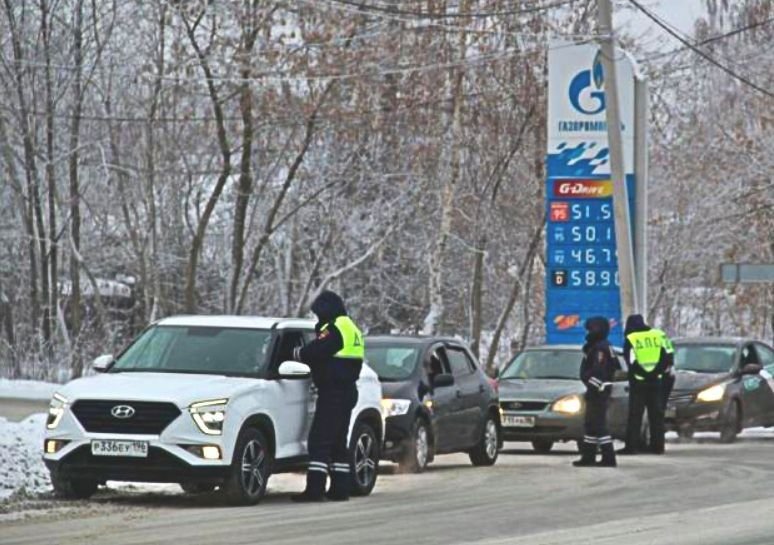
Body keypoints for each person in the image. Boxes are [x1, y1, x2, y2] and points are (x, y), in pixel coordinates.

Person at [291, 290, 364, 502]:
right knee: (338, 442)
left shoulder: (335, 328)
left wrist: (296, 353)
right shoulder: (350, 327)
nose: (317, 318)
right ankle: (340, 489)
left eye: (318, 313)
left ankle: (315, 490)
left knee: (319, 441)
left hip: (334, 392)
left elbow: (317, 351)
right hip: (347, 390)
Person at [618, 314, 674, 455]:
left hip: (639, 382)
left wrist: (644, 373)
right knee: (656, 415)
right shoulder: (659, 335)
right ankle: (658, 446)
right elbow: (668, 356)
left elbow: (631, 362)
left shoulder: (631, 339)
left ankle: (632, 446)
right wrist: (655, 372)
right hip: (657, 381)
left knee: (635, 415)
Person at [573, 317, 618, 468]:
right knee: (590, 424)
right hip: (596, 390)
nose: (587, 333)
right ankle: (588, 456)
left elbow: (599, 371)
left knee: (599, 424)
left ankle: (608, 457)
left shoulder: (600, 348)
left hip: (599, 390)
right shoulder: (598, 346)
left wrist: (593, 385)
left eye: (590, 329)